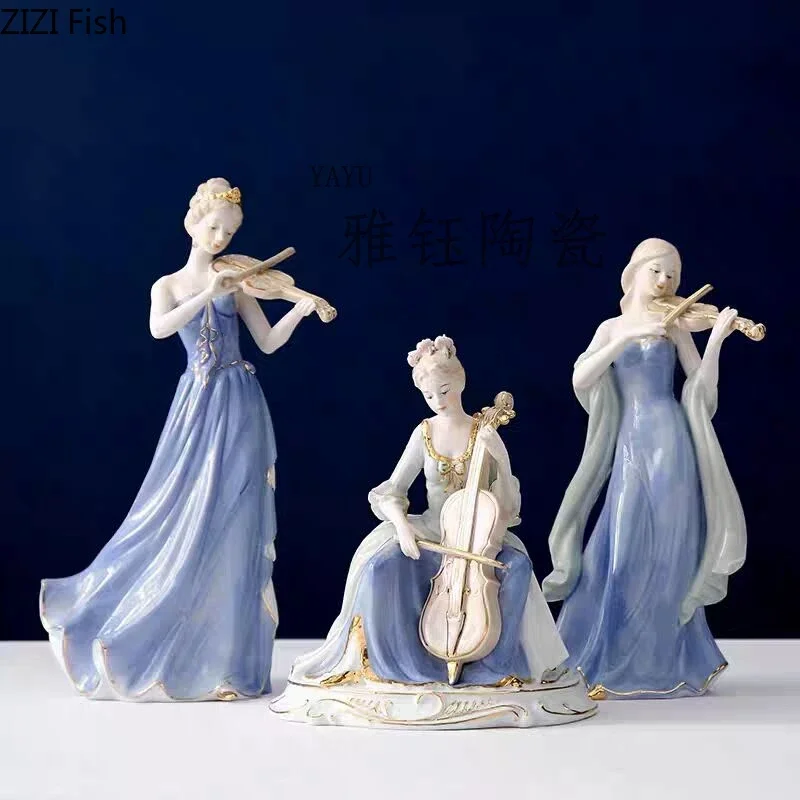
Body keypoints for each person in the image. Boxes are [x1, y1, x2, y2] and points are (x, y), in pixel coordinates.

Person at [40, 178, 315, 701]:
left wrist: (299, 306)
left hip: (240, 402)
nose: (220, 239)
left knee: (237, 515)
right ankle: (144, 635)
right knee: (177, 507)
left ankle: (227, 660)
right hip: (197, 402)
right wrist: (209, 293)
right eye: (214, 227)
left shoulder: (237, 283)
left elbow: (267, 343)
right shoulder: (167, 285)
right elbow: (159, 329)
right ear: (192, 223)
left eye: (229, 232)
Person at [542, 238, 746, 699]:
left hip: (671, 440)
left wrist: (715, 339)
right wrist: (625, 339)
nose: (665, 281)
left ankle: (666, 659)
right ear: (634, 272)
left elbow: (701, 390)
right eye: (657, 270)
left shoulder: (675, 326)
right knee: (621, 543)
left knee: (670, 548)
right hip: (631, 439)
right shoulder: (612, 326)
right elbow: (581, 377)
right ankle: (607, 653)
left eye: (673, 275)